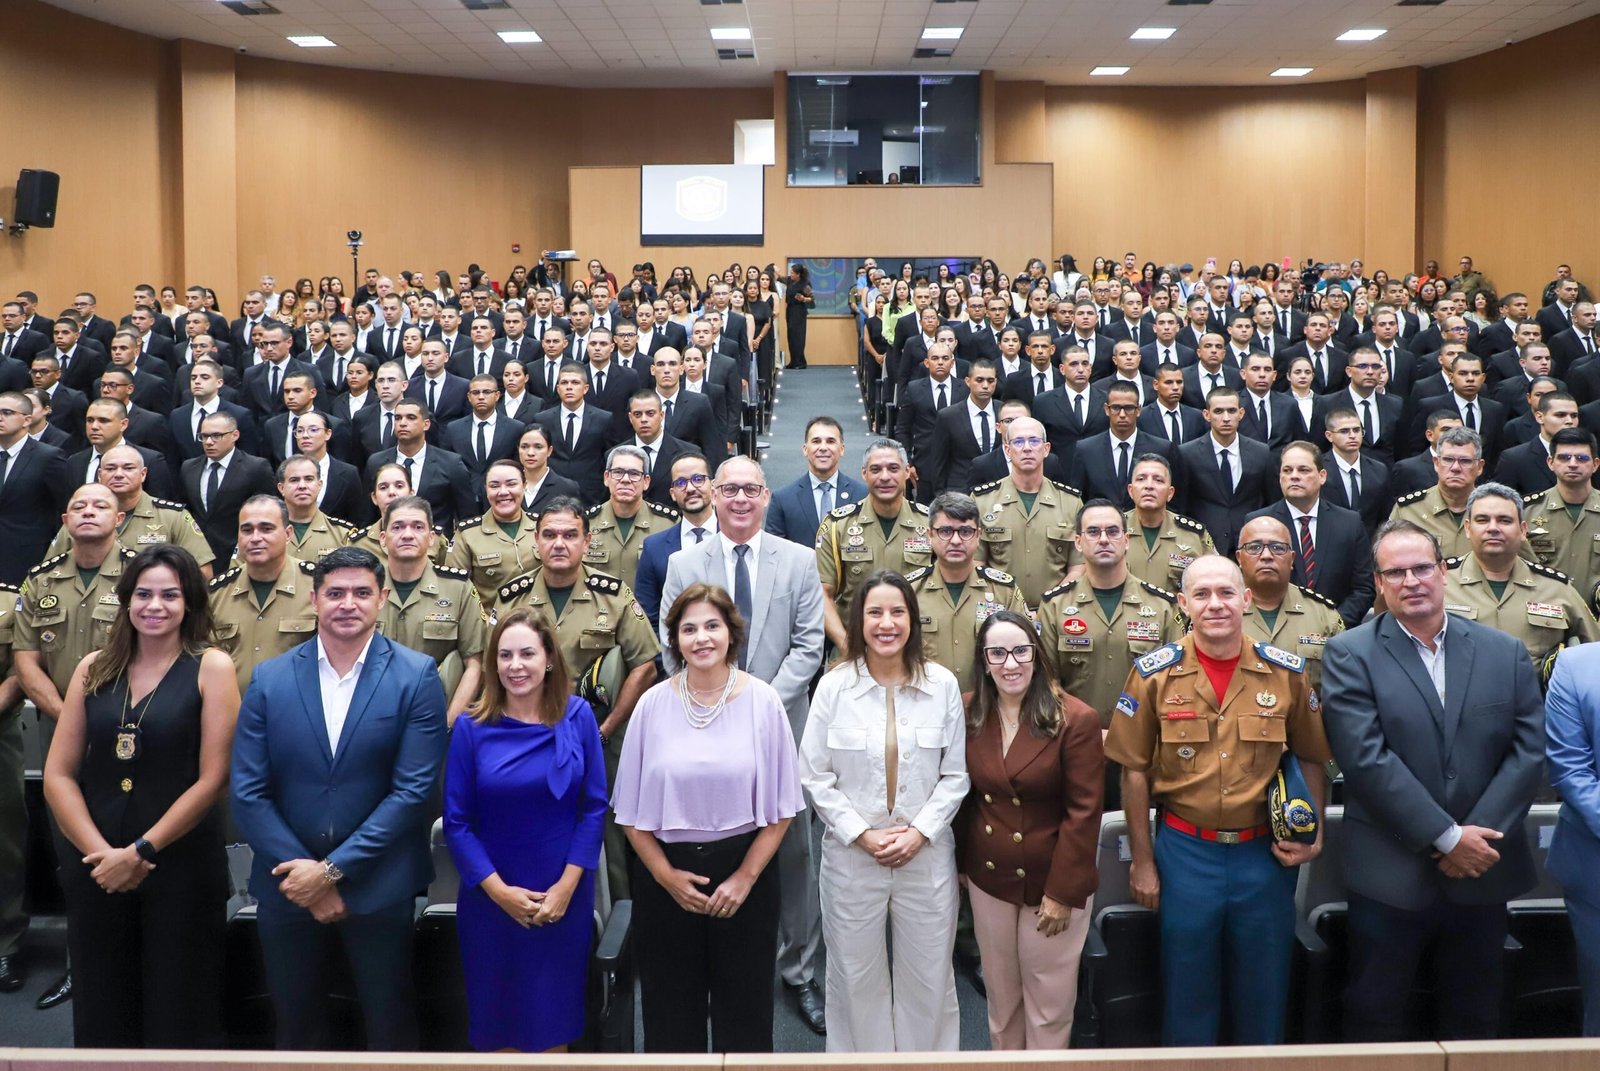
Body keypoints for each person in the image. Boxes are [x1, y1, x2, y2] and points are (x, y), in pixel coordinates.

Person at [1322, 519, 1544, 1041]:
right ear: (1378, 583)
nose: (1411, 581)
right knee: (1376, 1015)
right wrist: (1447, 838)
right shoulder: (1350, 654)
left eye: (1422, 567)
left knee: (1477, 1015)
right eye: (1395, 572)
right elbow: (1365, 759)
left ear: (1443, 571)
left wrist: (1475, 839)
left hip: (1483, 869)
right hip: (1390, 875)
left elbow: (1527, 750)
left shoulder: (1502, 651)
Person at [1104, 553, 1331, 1046]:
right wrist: (1142, 860)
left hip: (1263, 856)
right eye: (1202, 595)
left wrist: (1313, 835)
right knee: (1187, 991)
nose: (1215, 605)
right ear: (1183, 603)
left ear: (1246, 599)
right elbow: (1134, 772)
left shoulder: (1286, 673)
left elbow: (1313, 757)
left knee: (1264, 989)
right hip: (1186, 853)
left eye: (1226, 593)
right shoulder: (1152, 676)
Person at [231, 546, 448, 1050]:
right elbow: (247, 790)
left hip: (379, 885)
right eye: (335, 593)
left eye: (361, 593)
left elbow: (414, 792)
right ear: (314, 599)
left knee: (389, 1024)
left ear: (382, 599)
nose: (347, 603)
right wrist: (304, 874)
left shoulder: (416, 676)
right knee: (295, 1025)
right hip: (288, 887)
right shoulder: (271, 678)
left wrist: (331, 872)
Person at [656, 455, 828, 1032]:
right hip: (700, 723)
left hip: (783, 721)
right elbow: (671, 643)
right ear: (712, 493)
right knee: (716, 838)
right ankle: (714, 958)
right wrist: (724, 706)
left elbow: (809, 646)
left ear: (764, 496)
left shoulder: (799, 559)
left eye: (750, 489)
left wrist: (756, 704)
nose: (738, 499)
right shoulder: (683, 562)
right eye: (727, 489)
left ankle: (800, 969)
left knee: (796, 848)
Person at [42, 544, 238, 1046]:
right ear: (126, 601)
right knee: (103, 1010)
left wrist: (141, 851)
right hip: (97, 868)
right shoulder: (92, 668)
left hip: (179, 866)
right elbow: (59, 774)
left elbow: (212, 779)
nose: (156, 606)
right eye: (144, 594)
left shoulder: (211, 667)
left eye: (170, 595)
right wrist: (102, 855)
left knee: (179, 1012)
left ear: (190, 603)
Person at [613, 584, 804, 1052]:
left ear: (731, 634)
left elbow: (782, 809)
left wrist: (744, 878)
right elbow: (630, 813)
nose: (702, 638)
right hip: (665, 876)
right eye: (689, 628)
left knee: (746, 1018)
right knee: (668, 1016)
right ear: (674, 640)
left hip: (746, 874)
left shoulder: (763, 702)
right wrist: (664, 876)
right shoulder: (651, 705)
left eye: (712, 626)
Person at [800, 569, 969, 1052]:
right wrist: (862, 834)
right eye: (875, 612)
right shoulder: (833, 687)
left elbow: (955, 776)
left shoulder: (941, 685)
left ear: (913, 620)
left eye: (897, 612)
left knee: (930, 977)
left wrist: (919, 832)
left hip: (926, 853)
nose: (886, 623)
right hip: (854, 856)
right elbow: (814, 774)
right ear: (859, 621)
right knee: (854, 977)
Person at [443, 609, 607, 1052]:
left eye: (527, 654)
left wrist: (566, 888)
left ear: (549, 658)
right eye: (505, 655)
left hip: (563, 896)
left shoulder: (578, 717)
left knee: (553, 1024)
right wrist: (501, 894)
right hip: (491, 900)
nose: (516, 665)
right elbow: (457, 824)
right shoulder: (471, 728)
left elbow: (593, 809)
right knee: (499, 1026)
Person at [13, 482, 140, 1009]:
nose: (89, 512)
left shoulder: (140, 576)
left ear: (120, 517)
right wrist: (70, 718)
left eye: (100, 506)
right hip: (59, 731)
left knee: (131, 841)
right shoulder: (40, 582)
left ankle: (133, 964)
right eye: (80, 506)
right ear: (65, 517)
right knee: (71, 852)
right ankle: (79, 967)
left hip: (134, 730)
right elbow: (25, 660)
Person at [958, 608, 1102, 1049]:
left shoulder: (1074, 719)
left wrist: (1062, 893)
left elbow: (1084, 813)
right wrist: (962, 865)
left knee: (1048, 1008)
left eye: (1020, 650)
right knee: (1002, 1006)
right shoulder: (967, 711)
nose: (1010, 663)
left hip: (1052, 882)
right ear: (984, 661)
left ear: (1037, 655)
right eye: (997, 653)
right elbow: (961, 796)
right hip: (989, 877)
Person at [784, 264, 812, 369]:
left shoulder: (804, 284)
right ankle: (793, 361)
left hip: (799, 311)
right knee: (791, 336)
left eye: (792, 273)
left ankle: (801, 362)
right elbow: (779, 278)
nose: (790, 274)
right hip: (790, 310)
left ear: (798, 274)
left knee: (798, 336)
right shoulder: (789, 281)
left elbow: (812, 298)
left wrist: (803, 299)